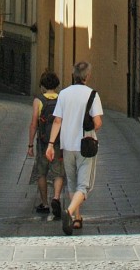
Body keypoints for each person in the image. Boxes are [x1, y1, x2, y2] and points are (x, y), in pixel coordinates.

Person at [47, 60, 103, 235]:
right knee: (83, 186)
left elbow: (57, 120)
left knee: (71, 183)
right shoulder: (92, 94)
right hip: (85, 145)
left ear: (73, 75)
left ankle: (77, 219)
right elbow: (98, 122)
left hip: (67, 145)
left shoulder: (63, 94)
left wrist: (50, 145)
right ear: (88, 76)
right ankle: (69, 212)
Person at [28, 70, 65, 218]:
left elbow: (33, 123)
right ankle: (56, 197)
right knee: (58, 172)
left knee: (41, 172)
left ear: (42, 85)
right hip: (58, 141)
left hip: (43, 142)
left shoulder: (39, 100)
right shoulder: (61, 99)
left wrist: (30, 145)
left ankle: (45, 203)